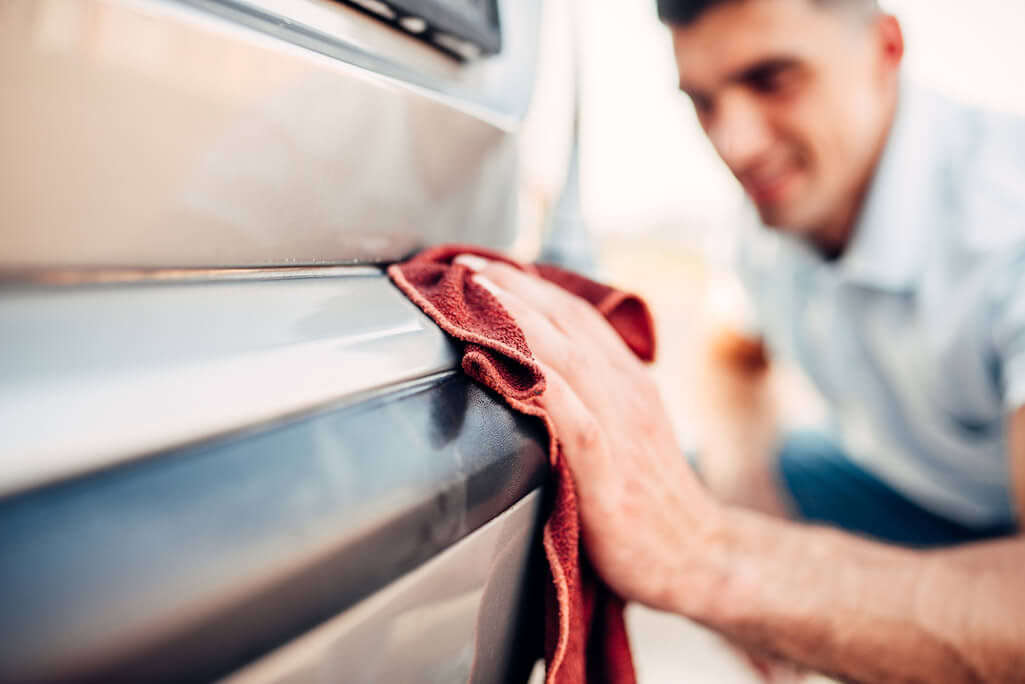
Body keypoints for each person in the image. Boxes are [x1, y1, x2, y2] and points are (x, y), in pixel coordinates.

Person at [455, 0, 1025, 680]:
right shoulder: (773, 217)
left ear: (884, 48)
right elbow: (735, 352)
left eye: (771, 79)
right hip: (905, 487)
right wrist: (744, 495)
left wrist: (722, 563)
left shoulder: (1005, 223)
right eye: (703, 101)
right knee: (663, 479)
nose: (735, 145)